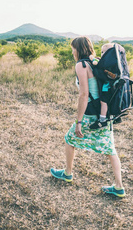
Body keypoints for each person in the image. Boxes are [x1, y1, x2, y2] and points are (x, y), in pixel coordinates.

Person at [50, 37, 125, 198]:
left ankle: (68, 173)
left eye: (73, 49)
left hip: (90, 113)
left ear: (78, 49)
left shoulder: (81, 65)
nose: (72, 52)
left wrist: (79, 121)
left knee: (70, 139)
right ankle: (119, 187)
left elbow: (84, 95)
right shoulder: (96, 62)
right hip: (104, 115)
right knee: (111, 149)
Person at [89, 43, 114, 130]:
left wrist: (93, 61)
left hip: (106, 88)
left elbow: (98, 67)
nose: (102, 54)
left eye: (104, 52)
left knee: (103, 102)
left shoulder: (107, 63)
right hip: (112, 87)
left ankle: (102, 120)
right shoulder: (114, 62)